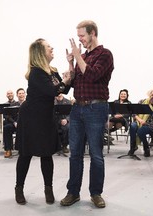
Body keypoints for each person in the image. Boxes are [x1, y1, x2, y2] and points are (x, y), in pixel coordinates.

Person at [60, 20, 114, 208]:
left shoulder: (105, 54)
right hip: (77, 109)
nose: (80, 39)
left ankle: (96, 193)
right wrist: (71, 65)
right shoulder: (82, 56)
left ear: (92, 33)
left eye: (82, 35)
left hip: (96, 109)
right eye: (79, 36)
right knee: (75, 153)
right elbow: (74, 84)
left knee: (96, 154)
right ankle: (73, 192)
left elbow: (92, 75)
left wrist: (78, 59)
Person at [14, 38, 71, 205]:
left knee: (46, 154)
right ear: (40, 52)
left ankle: (48, 189)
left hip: (45, 117)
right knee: (26, 154)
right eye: (48, 47)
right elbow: (51, 90)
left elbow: (63, 89)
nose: (52, 48)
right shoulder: (36, 72)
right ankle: (19, 188)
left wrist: (70, 69)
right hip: (31, 117)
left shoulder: (52, 71)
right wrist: (64, 82)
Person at [127, 88, 153, 157]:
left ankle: (146, 147)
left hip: (150, 125)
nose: (151, 97)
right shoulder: (142, 101)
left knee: (141, 131)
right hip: (139, 121)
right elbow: (134, 113)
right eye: (151, 94)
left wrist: (146, 122)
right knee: (132, 126)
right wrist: (140, 120)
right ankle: (133, 147)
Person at [3, 88, 25, 158]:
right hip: (15, 124)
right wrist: (14, 122)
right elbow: (9, 116)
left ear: (25, 94)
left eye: (22, 93)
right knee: (6, 128)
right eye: (19, 93)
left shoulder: (29, 104)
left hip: (26, 124)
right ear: (17, 95)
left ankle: (25, 148)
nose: (21, 95)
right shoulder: (13, 104)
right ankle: (8, 150)